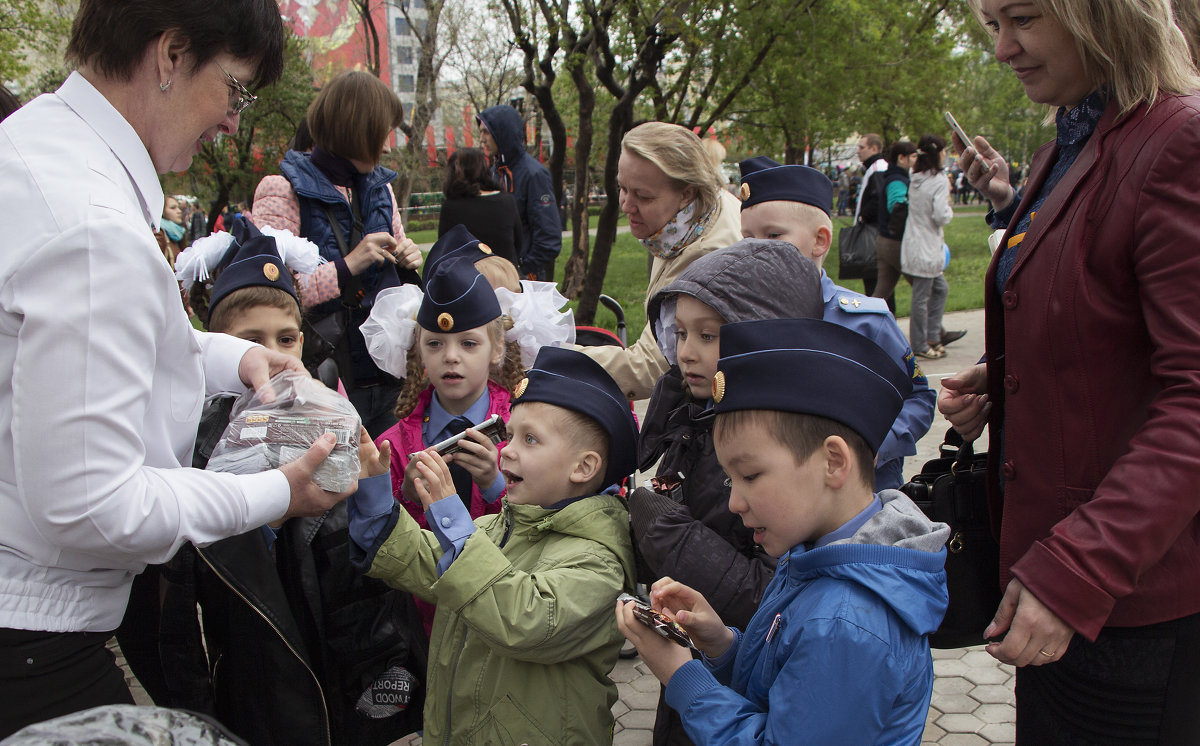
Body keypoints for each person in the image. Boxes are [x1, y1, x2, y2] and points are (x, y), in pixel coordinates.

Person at [0, 1, 350, 736]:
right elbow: (96, 504)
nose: (232, 119)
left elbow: (116, 355)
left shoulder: (38, 150)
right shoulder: (96, 225)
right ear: (170, 54)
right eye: (235, 87)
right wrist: (274, 491)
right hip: (32, 646)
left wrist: (244, 356)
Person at [940, 0, 1200, 741]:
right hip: (1060, 586)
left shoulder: (1178, 140)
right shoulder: (1077, 135)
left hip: (1128, 606)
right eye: (992, 25)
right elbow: (1112, 322)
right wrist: (1015, 371)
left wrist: (1078, 572)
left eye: (1023, 19)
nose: (1002, 50)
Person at [616, 317, 950, 745]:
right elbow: (785, 682)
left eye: (750, 476)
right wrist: (721, 645)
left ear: (833, 463)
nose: (736, 502)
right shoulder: (821, 554)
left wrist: (682, 677)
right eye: (731, 480)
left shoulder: (846, 624)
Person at [159, 218, 428, 745]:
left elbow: (365, 566)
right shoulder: (197, 439)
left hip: (338, 654)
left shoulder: (329, 417)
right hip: (253, 660)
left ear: (303, 342)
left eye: (285, 338)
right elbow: (189, 575)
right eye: (251, 342)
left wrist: (371, 491)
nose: (274, 356)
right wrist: (271, 511)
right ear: (220, 350)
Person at [347, 345, 638, 745]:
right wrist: (375, 496)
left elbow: (525, 618)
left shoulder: (599, 560)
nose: (509, 451)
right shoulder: (495, 528)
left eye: (531, 440)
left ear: (583, 467)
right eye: (512, 435)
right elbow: (425, 561)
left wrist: (451, 518)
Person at [631, 238, 824, 745]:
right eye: (680, 333)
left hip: (741, 691)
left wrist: (660, 528)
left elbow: (765, 593)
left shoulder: (772, 450)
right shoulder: (691, 416)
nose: (687, 352)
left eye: (709, 335)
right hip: (708, 656)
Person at [738, 157, 935, 490]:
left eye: (773, 235)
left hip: (865, 500)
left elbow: (919, 399)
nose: (757, 249)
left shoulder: (867, 322)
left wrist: (872, 447)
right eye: (747, 237)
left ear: (820, 240)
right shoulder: (744, 321)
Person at [251, 70, 422, 437]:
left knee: (388, 482)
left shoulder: (381, 190)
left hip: (388, 373)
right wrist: (347, 266)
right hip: (324, 377)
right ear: (355, 130)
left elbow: (397, 252)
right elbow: (269, 297)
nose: (389, 147)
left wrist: (408, 258)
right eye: (382, 134)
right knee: (333, 488)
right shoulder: (282, 190)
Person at [365, 246, 524, 636]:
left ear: (496, 349)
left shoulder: (523, 430)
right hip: (423, 621)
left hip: (503, 614)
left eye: (468, 344)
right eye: (435, 344)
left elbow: (541, 525)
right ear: (419, 351)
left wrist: (495, 485)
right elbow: (374, 544)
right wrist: (401, 496)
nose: (450, 357)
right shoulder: (394, 445)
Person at [580, 121, 742, 401]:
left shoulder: (706, 260)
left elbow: (650, 368)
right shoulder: (687, 222)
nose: (627, 205)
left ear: (687, 193)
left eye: (643, 196)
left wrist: (550, 354)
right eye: (622, 188)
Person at [476, 104, 561, 281]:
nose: (481, 139)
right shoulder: (492, 174)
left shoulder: (534, 174)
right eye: (480, 132)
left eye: (486, 132)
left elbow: (549, 237)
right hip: (497, 278)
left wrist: (522, 268)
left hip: (526, 279)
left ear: (502, 132)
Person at [902, 135, 962, 359]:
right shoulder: (938, 180)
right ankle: (920, 343)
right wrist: (950, 208)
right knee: (921, 296)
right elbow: (940, 215)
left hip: (915, 242)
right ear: (938, 154)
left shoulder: (915, 175)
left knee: (940, 289)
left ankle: (933, 335)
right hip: (927, 245)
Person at [437, 147, 521, 266]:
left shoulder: (451, 208)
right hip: (505, 277)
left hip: (467, 280)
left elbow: (443, 253)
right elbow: (518, 244)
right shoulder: (507, 201)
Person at [870, 140, 917, 314]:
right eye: (913, 156)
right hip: (896, 242)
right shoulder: (898, 180)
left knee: (881, 293)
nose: (916, 160)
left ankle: (863, 329)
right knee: (928, 288)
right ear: (901, 158)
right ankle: (932, 334)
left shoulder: (894, 177)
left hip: (885, 240)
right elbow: (897, 207)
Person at [851, 133, 888, 296]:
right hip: (874, 231)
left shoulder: (877, 168)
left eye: (861, 147)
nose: (858, 151)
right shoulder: (872, 168)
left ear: (874, 148)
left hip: (873, 232)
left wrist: (863, 216)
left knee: (875, 281)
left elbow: (878, 198)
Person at [155, 194, 187, 268]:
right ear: (162, 211)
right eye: (173, 208)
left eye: (179, 207)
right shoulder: (159, 233)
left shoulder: (179, 233)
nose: (179, 211)